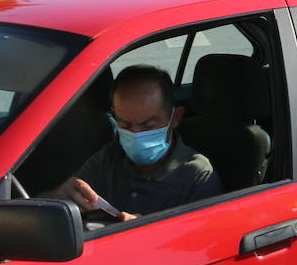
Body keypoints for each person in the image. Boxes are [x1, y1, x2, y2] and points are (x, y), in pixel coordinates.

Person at [53, 64, 222, 220]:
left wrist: (143, 232)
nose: (135, 134)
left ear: (176, 117)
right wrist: (60, 196)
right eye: (125, 124)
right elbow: (54, 205)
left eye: (148, 126)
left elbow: (198, 245)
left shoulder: (197, 176)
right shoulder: (110, 157)